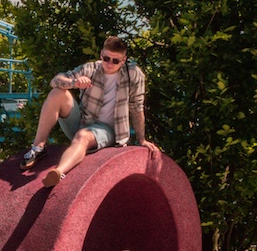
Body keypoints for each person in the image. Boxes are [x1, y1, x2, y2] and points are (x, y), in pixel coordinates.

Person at [18, 36, 159, 188]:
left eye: (115, 60)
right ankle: (38, 148)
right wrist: (73, 83)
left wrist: (142, 139)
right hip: (83, 121)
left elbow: (137, 107)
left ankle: (59, 172)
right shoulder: (91, 68)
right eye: (106, 58)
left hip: (110, 131)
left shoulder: (134, 75)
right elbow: (55, 80)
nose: (109, 63)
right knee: (57, 92)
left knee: (83, 136)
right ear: (101, 55)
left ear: (124, 60)